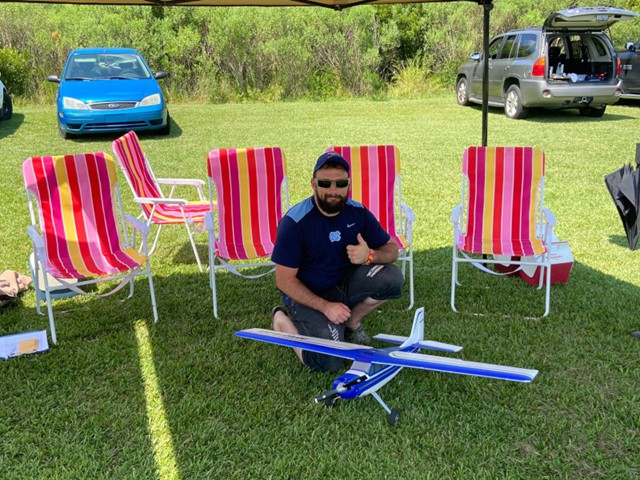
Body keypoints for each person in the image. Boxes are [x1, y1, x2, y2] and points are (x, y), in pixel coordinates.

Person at [270, 151, 404, 372]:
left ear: (348, 184)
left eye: (340, 184)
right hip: (307, 294)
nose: (334, 190)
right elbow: (283, 281)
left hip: (344, 284)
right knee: (329, 361)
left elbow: (392, 250)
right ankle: (281, 320)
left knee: (392, 278)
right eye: (325, 183)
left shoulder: (358, 212)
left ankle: (351, 322)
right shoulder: (294, 222)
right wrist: (325, 307)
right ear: (313, 184)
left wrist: (370, 255)